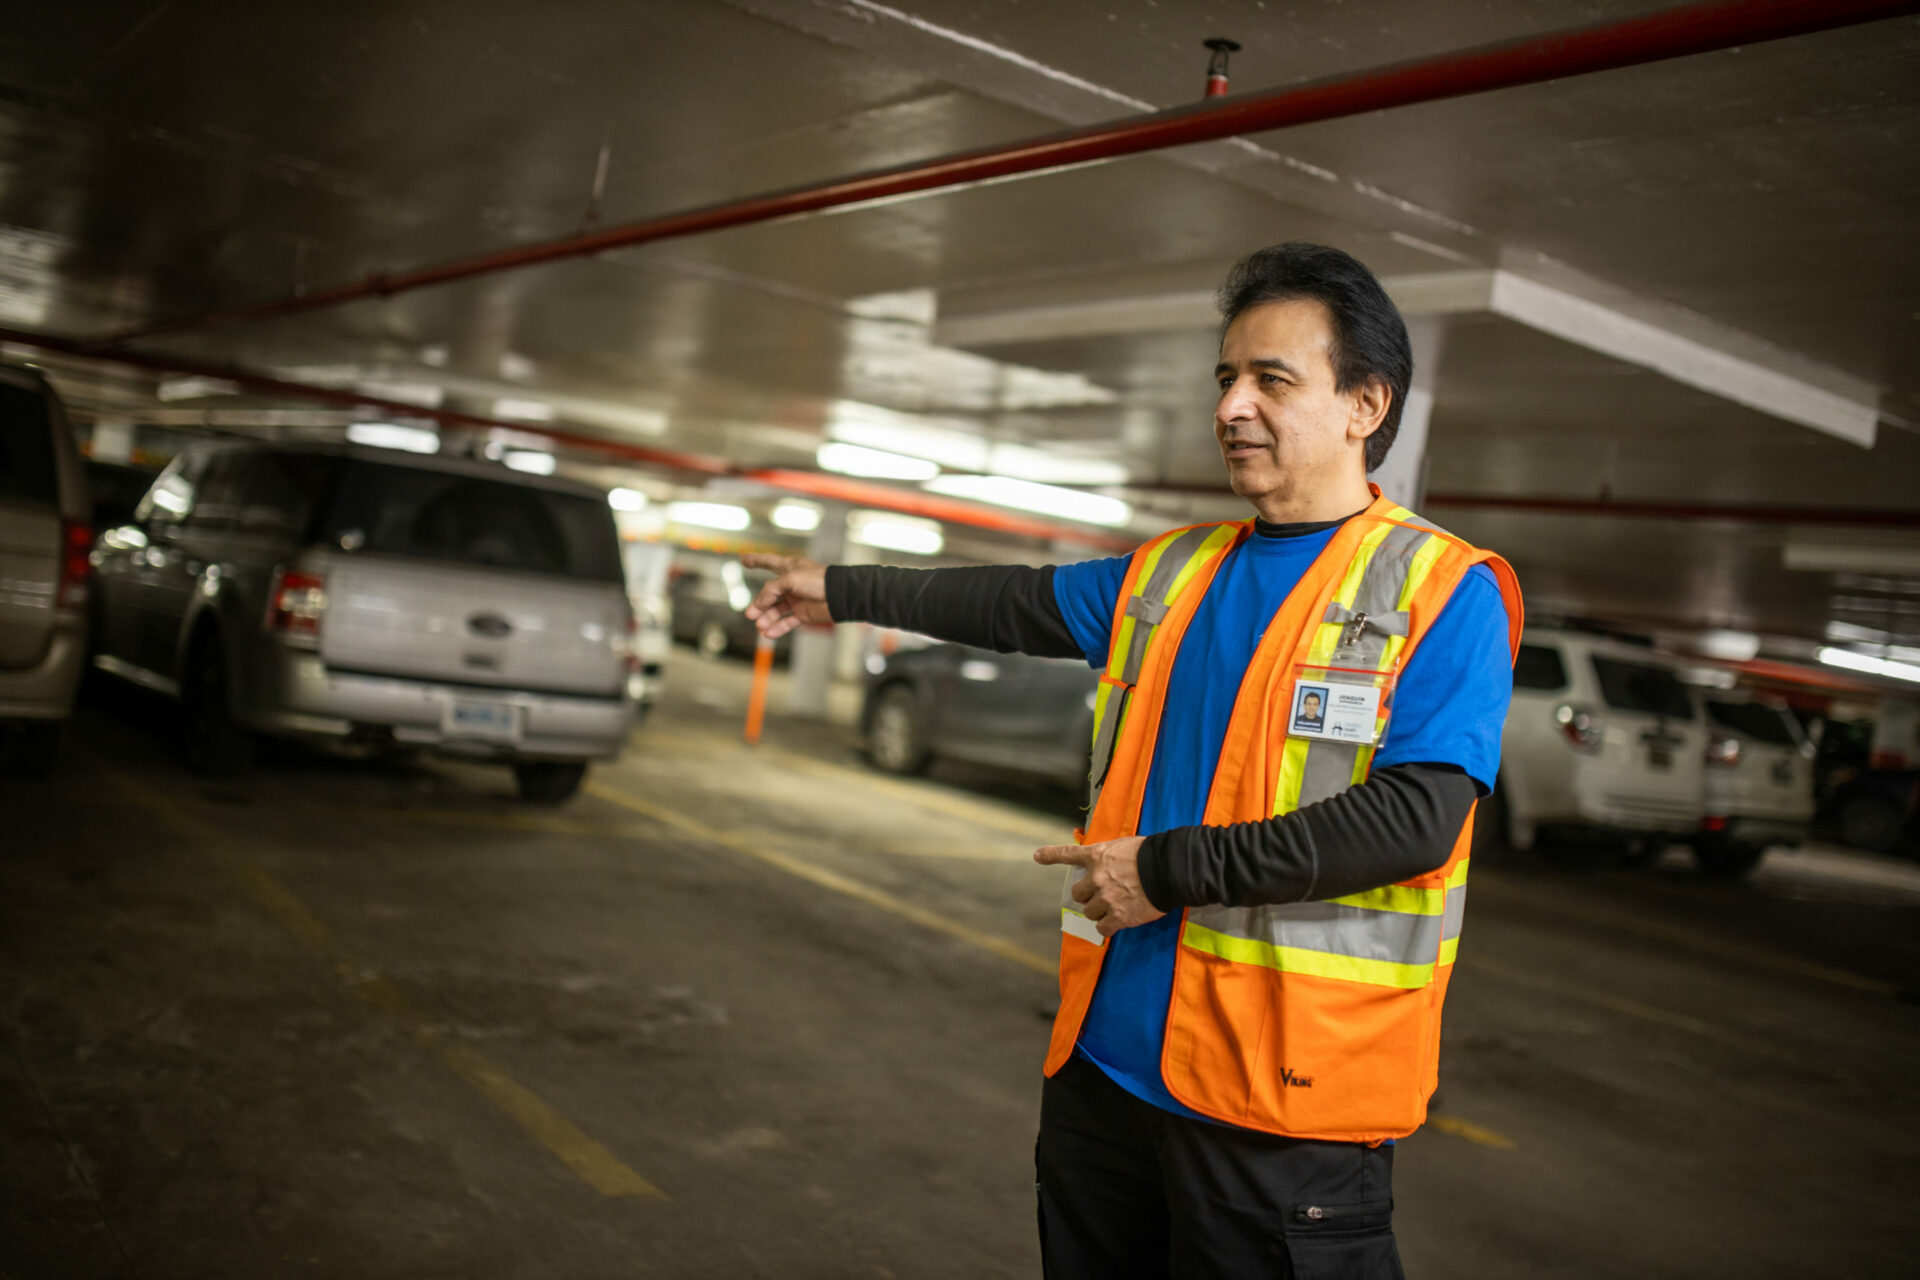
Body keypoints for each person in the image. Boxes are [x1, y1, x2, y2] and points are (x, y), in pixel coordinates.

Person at [744, 242, 1522, 1279]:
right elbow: (1014, 602)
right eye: (1226, 377)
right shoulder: (1173, 571)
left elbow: (1413, 821)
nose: (1232, 406)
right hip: (1105, 1074)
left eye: (1272, 380)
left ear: (1364, 405)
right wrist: (838, 589)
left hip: (1282, 1106)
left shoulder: (1442, 590)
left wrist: (1165, 869)